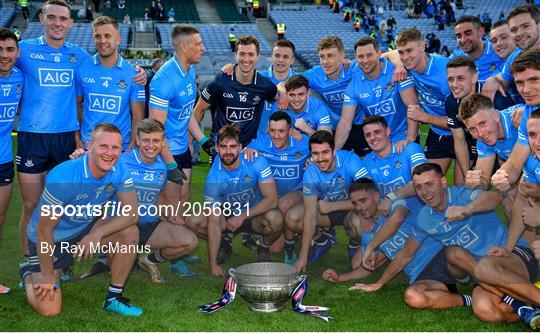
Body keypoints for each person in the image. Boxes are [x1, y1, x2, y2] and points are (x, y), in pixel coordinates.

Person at [15, 0, 145, 276]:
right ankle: (31, 259)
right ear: (41, 18)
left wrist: (146, 75)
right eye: (52, 17)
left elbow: (136, 114)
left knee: (88, 205)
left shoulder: (80, 57)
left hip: (86, 145)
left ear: (71, 23)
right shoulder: (25, 50)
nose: (57, 23)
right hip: (42, 139)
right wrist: (79, 139)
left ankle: (86, 256)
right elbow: (78, 104)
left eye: (63, 18)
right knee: (33, 204)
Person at [355, 163, 539, 328]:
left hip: (510, 255)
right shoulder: (425, 218)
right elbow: (406, 254)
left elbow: (493, 198)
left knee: (479, 265)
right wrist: (379, 283)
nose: (425, 192)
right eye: (419, 187)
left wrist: (467, 209)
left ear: (443, 182)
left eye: (429, 184)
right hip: (479, 272)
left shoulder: (461, 194)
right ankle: (525, 306)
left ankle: (526, 300)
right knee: (484, 309)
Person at [20, 124, 143, 317]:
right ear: (89, 146)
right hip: (50, 239)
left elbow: (131, 214)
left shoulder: (121, 168)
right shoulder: (64, 176)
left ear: (121, 149)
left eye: (115, 147)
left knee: (130, 232)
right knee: (50, 309)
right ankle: (28, 272)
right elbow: (44, 231)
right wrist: (46, 275)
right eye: (103, 146)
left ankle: (113, 299)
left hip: (84, 229)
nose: (109, 153)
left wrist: (96, 234)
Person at [326, 180, 471, 311]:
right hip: (423, 275)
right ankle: (470, 300)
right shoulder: (367, 234)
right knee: (413, 296)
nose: (359, 207)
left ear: (377, 197)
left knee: (457, 253)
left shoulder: (398, 205)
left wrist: (371, 247)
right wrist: (340, 277)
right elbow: (369, 267)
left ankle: (475, 277)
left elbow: (397, 219)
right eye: (355, 203)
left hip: (443, 254)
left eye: (363, 201)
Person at [187, 124, 284, 276]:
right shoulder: (213, 178)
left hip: (254, 215)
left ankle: (262, 245)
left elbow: (272, 200)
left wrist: (242, 216)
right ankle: (224, 241)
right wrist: (213, 265)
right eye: (223, 147)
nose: (228, 151)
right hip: (227, 218)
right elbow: (213, 222)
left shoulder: (256, 161)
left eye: (232, 147)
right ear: (217, 148)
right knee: (193, 221)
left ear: (240, 147)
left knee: (276, 219)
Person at [287, 130, 369, 271]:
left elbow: (367, 197)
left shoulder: (350, 160)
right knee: (292, 218)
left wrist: (333, 206)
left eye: (325, 152)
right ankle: (322, 238)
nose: (320, 158)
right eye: (315, 153)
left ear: (334, 151)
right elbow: (311, 215)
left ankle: (355, 243)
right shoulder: (311, 172)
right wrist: (303, 257)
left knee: (358, 224)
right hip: (326, 212)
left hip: (351, 210)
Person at [149, 24, 204, 219]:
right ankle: (163, 246)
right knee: (169, 208)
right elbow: (155, 131)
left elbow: (186, 112)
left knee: (184, 196)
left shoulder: (189, 71)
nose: (203, 48)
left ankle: (174, 248)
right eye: (197, 44)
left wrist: (203, 140)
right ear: (183, 46)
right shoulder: (164, 80)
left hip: (182, 150)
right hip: (166, 153)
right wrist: (171, 164)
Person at [189, 35, 278, 150]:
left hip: (249, 151)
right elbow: (198, 110)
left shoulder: (265, 85)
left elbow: (280, 100)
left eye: (251, 54)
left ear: (258, 56)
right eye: (242, 54)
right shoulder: (221, 81)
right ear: (235, 55)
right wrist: (193, 142)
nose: (246, 59)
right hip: (221, 149)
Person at [245, 111, 310, 263]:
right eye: (272, 130)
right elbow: (241, 155)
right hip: (272, 197)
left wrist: (314, 160)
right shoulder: (261, 142)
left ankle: (290, 246)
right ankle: (269, 237)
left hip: (297, 192)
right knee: (275, 248)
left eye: (281, 131)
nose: (276, 135)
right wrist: (245, 150)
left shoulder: (303, 143)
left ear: (291, 131)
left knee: (283, 204)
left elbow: (326, 150)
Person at [336, 37, 419, 154]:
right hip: (378, 143)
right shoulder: (354, 85)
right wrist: (334, 151)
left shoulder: (397, 71)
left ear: (379, 53)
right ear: (355, 58)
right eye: (360, 56)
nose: (365, 60)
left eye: (369, 55)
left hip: (403, 138)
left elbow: (413, 105)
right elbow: (345, 121)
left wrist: (410, 139)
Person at [394, 28, 457, 181]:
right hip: (437, 133)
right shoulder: (409, 67)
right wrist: (398, 64)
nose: (405, 57)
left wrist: (424, 117)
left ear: (422, 47)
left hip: (461, 133)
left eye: (409, 51)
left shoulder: (446, 74)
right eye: (401, 52)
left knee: (463, 186)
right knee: (428, 181)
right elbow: (386, 55)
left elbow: (459, 121)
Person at [75, 16, 145, 152]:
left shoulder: (134, 74)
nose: (102, 41)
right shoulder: (82, 69)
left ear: (118, 39)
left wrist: (131, 146)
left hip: (119, 148)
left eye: (107, 36)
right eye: (97, 36)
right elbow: (77, 105)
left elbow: (138, 116)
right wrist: (77, 137)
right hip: (89, 147)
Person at [458, 93, 524, 216]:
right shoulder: (483, 143)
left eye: (482, 123)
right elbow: (484, 180)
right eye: (472, 129)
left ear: (496, 116)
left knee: (528, 204)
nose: (480, 133)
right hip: (519, 167)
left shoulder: (519, 117)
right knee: (508, 204)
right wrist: (476, 182)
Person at [361, 116, 427, 214]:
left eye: (377, 132)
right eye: (368, 135)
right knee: (355, 220)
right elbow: (365, 194)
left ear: (388, 131)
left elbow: (421, 182)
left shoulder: (410, 149)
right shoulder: (366, 162)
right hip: (386, 212)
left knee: (398, 211)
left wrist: (392, 197)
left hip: (418, 209)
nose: (373, 138)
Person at [0, 28, 23, 294]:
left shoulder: (20, 78)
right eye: (0, 50)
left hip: (4, 160)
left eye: (9, 50)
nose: (4, 56)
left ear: (17, 53)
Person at [482, 4, 540, 101]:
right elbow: (501, 80)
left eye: (525, 26)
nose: (519, 33)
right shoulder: (516, 55)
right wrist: (493, 80)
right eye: (514, 30)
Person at [449, 16, 505, 84]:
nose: (463, 40)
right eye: (459, 36)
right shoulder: (455, 57)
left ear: (481, 32)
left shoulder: (499, 49)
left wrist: (496, 79)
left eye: (468, 33)